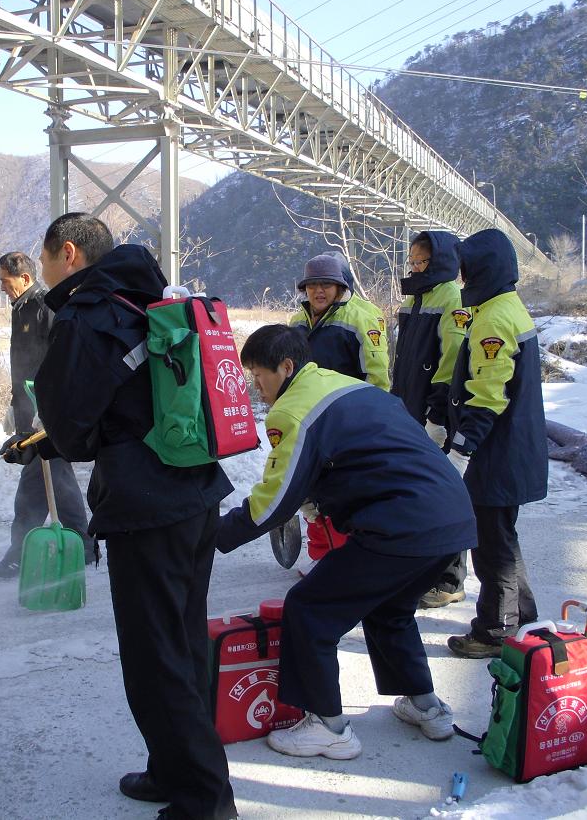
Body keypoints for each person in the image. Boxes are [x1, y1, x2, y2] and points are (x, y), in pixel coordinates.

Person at [4, 212, 237, 820]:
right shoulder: (148, 297)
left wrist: (46, 439)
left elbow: (74, 428)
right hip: (195, 490)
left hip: (146, 506)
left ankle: (205, 802)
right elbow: (128, 403)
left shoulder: (86, 316)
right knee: (182, 644)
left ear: (69, 254)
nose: (44, 270)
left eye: (45, 258)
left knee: (155, 659)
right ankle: (173, 770)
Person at [217, 324, 476, 760]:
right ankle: (426, 706)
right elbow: (367, 454)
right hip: (452, 519)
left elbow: (273, 502)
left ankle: (328, 727)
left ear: (286, 367)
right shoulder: (346, 386)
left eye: (259, 375)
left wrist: (213, 534)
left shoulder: (293, 411)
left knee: (310, 609)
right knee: (389, 608)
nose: (256, 387)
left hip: (402, 525)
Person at [442, 229, 548, 660]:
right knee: (502, 538)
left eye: (466, 269)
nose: (462, 277)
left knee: (491, 547)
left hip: (496, 453)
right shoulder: (505, 307)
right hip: (512, 448)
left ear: (482, 269)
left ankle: (495, 631)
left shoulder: (492, 319)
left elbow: (488, 396)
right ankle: (521, 616)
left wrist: (462, 448)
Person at [0, 251, 93, 579]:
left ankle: (20, 553)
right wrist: (15, 403)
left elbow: (61, 361)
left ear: (25, 278)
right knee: (54, 480)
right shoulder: (20, 308)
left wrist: (50, 409)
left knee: (41, 484)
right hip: (30, 411)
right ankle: (83, 546)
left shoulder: (45, 306)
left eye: (5, 281)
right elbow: (24, 364)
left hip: (46, 414)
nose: (2, 287)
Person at [288, 252, 390, 571]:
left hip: (350, 419)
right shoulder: (297, 322)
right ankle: (322, 556)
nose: (318, 291)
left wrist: (372, 421)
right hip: (310, 418)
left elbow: (377, 376)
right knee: (312, 489)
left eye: (326, 285)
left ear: (340, 286)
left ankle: (350, 560)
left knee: (348, 490)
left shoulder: (362, 317)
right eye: (312, 285)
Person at [390, 231, 472, 610]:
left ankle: (449, 579)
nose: (416, 267)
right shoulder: (414, 299)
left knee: (444, 494)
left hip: (434, 414)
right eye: (413, 261)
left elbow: (452, 360)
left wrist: (437, 414)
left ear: (440, 261)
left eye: (422, 261)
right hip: (409, 412)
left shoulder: (452, 298)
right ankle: (423, 569)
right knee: (418, 496)